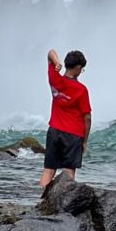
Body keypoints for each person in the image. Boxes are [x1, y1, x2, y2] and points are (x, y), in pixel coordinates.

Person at [41, 49, 91, 187]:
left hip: (54, 130)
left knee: (49, 170)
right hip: (73, 135)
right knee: (69, 171)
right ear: (78, 68)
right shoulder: (81, 89)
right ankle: (65, 198)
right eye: (82, 69)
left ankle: (40, 197)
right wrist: (85, 141)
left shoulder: (55, 79)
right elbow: (87, 117)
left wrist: (56, 62)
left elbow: (50, 53)